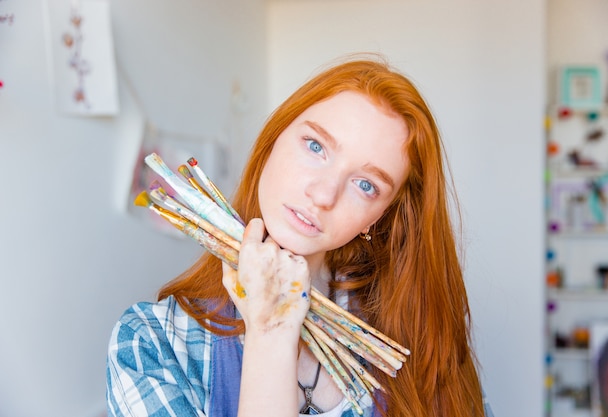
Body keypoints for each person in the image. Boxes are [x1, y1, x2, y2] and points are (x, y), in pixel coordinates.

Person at [106, 54, 495, 417]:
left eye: (365, 185)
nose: (323, 195)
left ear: (379, 217)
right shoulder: (151, 345)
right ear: (273, 139)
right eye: (315, 146)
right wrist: (272, 330)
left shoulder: (419, 347)